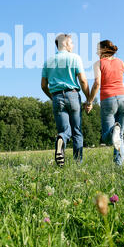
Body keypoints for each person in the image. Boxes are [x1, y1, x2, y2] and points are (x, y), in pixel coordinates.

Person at [41, 34, 90, 166]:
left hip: (57, 96)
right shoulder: (75, 58)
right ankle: (77, 164)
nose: (73, 45)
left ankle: (61, 138)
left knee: (64, 130)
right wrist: (89, 99)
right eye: (72, 43)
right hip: (73, 95)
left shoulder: (48, 61)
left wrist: (52, 97)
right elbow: (83, 81)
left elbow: (43, 85)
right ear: (66, 44)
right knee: (77, 131)